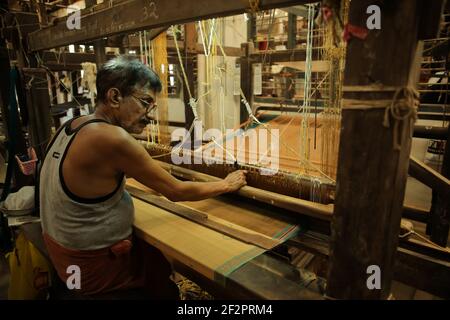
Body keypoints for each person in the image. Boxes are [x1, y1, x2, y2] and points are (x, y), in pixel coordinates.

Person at [39, 56, 247, 299]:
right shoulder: (111, 138)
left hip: (64, 255)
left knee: (157, 260)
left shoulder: (73, 124)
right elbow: (176, 191)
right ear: (115, 97)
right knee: (164, 286)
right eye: (145, 102)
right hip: (94, 266)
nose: (149, 114)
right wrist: (225, 184)